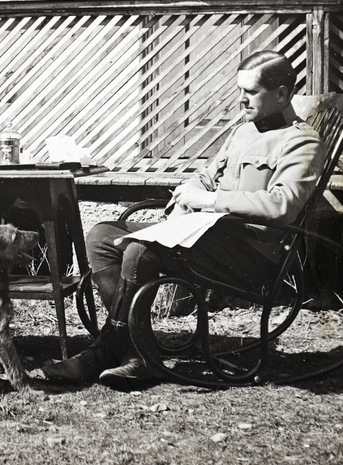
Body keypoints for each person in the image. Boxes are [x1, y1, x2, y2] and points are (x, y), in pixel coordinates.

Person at [34, 50, 323, 388]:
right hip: (208, 238)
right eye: (239, 90)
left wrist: (211, 201)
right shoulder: (244, 132)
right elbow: (207, 175)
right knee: (101, 236)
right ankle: (135, 352)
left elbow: (282, 206)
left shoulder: (301, 141)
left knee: (141, 249)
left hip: (252, 254)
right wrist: (188, 194)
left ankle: (112, 351)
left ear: (283, 94)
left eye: (251, 92)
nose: (242, 100)